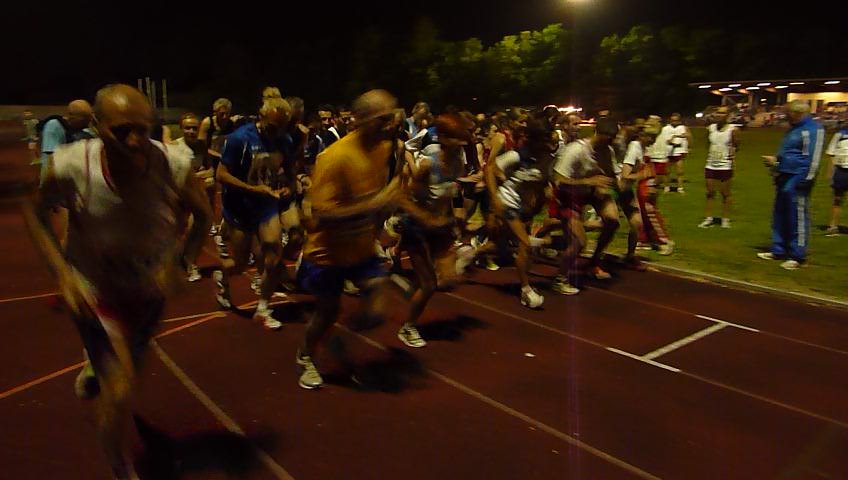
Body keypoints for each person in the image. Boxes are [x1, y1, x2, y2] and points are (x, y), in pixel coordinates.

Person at [24, 84, 210, 480]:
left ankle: (96, 364)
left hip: (147, 286)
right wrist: (62, 274)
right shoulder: (72, 165)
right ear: (96, 125)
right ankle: (121, 467)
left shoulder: (174, 165)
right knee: (121, 385)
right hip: (95, 285)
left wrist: (181, 261)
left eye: (143, 129)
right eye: (122, 130)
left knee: (128, 374)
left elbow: (204, 216)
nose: (135, 141)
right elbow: (34, 213)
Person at [295, 89, 406, 389]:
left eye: (392, 116)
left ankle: (338, 339)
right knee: (327, 312)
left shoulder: (385, 147)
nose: (391, 124)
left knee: (378, 307)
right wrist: (374, 205)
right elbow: (322, 214)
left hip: (360, 247)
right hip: (327, 251)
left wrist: (391, 198)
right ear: (361, 119)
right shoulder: (335, 157)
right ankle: (305, 355)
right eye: (382, 119)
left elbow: (384, 188)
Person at [212, 96, 294, 330]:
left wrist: (289, 186)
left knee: (274, 253)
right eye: (272, 128)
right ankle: (223, 275)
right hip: (239, 205)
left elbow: (290, 171)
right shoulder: (240, 139)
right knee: (239, 264)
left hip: (266, 204)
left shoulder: (284, 140)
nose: (275, 133)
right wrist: (252, 189)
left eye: (281, 129)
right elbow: (221, 175)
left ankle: (263, 308)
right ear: (261, 118)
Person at [549, 117, 621, 295]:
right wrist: (588, 181)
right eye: (607, 139)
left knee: (612, 220)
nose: (610, 143)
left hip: (591, 192)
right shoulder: (576, 150)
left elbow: (612, 176)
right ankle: (560, 278)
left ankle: (594, 261)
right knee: (579, 242)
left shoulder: (608, 151)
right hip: (569, 195)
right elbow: (558, 181)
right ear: (598, 133)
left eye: (613, 139)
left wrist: (613, 184)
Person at [759, 100, 824, 270]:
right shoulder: (794, 129)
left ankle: (797, 255)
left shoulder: (813, 130)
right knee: (780, 213)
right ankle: (778, 249)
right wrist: (776, 163)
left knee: (798, 216)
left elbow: (813, 158)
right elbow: (790, 153)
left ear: (797, 113)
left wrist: (806, 179)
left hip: (798, 177)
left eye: (788, 113)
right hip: (784, 175)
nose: (785, 116)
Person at [169, 112, 216, 281]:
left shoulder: (201, 146)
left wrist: (202, 175)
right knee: (175, 231)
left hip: (196, 194)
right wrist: (194, 177)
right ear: (181, 128)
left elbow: (211, 169)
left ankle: (190, 262)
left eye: (194, 128)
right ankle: (175, 262)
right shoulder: (174, 148)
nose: (191, 131)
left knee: (199, 227)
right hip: (178, 194)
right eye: (187, 128)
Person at [698, 107, 739, 229]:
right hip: (711, 165)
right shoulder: (710, 128)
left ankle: (725, 219)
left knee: (725, 193)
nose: (719, 115)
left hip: (725, 165)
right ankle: (708, 218)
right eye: (718, 112)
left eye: (723, 113)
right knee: (710, 192)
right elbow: (708, 144)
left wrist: (732, 157)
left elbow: (736, 145)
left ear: (728, 115)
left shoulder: (733, 129)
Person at [37, 100, 95, 184]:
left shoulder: (83, 131)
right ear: (72, 117)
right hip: (56, 178)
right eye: (84, 121)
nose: (86, 125)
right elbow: (50, 159)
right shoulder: (54, 126)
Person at [825, 122, 848, 236]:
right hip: (841, 170)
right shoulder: (840, 134)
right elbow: (831, 153)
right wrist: (830, 172)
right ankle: (833, 226)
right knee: (837, 199)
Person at [664, 113, 692, 193]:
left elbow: (689, 136)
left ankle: (680, 188)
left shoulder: (683, 128)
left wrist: (689, 147)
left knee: (680, 171)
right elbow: (665, 140)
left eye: (676, 120)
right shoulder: (666, 128)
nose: (674, 122)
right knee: (667, 171)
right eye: (673, 120)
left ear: (679, 120)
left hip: (679, 151)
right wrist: (672, 139)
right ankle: (667, 187)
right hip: (668, 152)